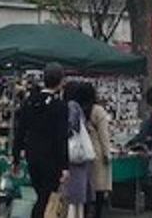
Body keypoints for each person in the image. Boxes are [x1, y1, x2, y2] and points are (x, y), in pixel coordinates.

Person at [12, 62, 69, 218]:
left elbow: (20, 132)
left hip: (32, 156)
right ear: (61, 81)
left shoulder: (29, 102)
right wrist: (65, 165)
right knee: (46, 197)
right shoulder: (60, 106)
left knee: (40, 193)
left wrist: (16, 157)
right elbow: (61, 137)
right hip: (52, 159)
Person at [75, 82, 112, 218]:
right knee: (99, 187)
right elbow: (104, 135)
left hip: (81, 151)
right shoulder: (97, 110)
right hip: (96, 151)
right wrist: (107, 153)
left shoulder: (76, 109)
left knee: (85, 186)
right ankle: (97, 214)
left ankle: (84, 213)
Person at [63, 82, 94, 218]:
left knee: (71, 197)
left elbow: (70, 127)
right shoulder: (80, 108)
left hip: (72, 155)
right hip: (80, 157)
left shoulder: (70, 106)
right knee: (79, 198)